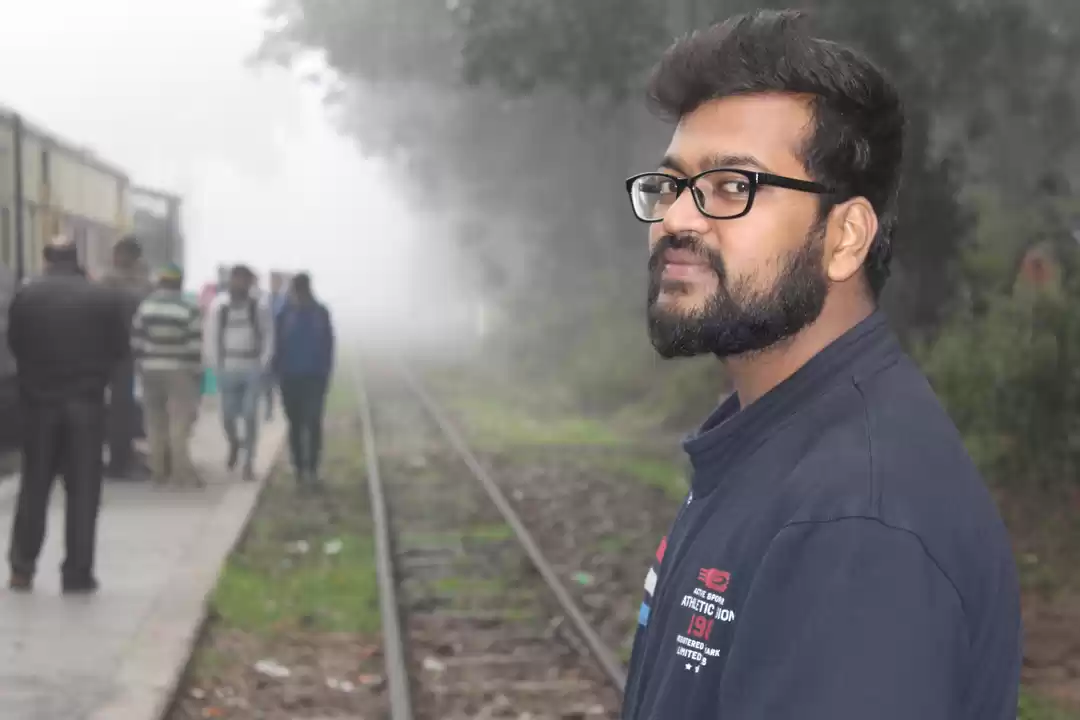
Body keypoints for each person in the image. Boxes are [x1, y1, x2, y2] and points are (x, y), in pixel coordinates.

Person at [620, 11, 1021, 720]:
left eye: (732, 187)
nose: (679, 220)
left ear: (845, 238)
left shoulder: (853, 526)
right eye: (672, 185)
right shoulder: (765, 443)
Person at [7, 237, 130, 593]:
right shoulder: (102, 298)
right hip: (86, 407)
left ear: (47, 260)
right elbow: (120, 351)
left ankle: (22, 568)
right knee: (83, 492)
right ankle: (77, 573)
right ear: (76, 260)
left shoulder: (27, 297)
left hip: (39, 407)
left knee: (34, 488)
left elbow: (15, 343)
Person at [132, 263, 204, 487]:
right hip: (179, 369)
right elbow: (194, 346)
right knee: (179, 423)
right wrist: (196, 374)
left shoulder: (146, 306)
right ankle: (181, 475)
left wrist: (142, 365)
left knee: (154, 423)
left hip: (150, 369)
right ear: (180, 282)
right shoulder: (189, 307)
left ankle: (158, 473)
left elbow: (136, 341)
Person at [203, 264, 273, 481]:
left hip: (251, 367)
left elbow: (268, 336)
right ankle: (234, 442)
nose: (240, 284)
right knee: (228, 416)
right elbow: (211, 337)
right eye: (237, 279)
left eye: (245, 280)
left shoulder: (258, 307)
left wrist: (263, 363)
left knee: (251, 415)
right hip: (228, 368)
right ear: (231, 281)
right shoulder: (219, 307)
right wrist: (216, 365)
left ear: (250, 283)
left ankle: (249, 463)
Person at [99, 236, 153, 481]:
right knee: (120, 408)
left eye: (119, 253)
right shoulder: (114, 280)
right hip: (118, 354)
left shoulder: (115, 282)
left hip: (128, 353)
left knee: (125, 408)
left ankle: (123, 457)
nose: (115, 258)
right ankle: (120, 458)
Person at [272, 273, 334, 489]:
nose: (299, 294)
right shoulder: (283, 314)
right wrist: (277, 374)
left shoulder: (320, 313)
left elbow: (328, 345)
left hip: (314, 379)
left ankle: (312, 469)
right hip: (290, 379)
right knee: (296, 424)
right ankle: (299, 468)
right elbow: (276, 346)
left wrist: (326, 374)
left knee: (313, 422)